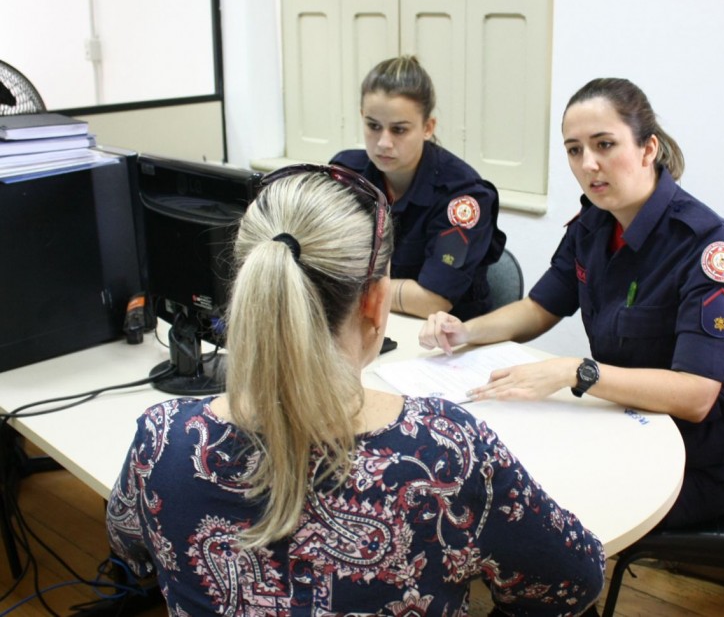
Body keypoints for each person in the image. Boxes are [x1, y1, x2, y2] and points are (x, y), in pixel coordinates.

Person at [106, 164, 604, 615]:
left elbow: (129, 547)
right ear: (375, 303)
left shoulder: (161, 442)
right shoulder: (445, 451)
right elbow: (575, 580)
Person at [420, 78, 724, 530]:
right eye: (574, 150)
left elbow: (696, 395)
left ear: (648, 148)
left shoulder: (705, 244)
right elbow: (539, 308)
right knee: (490, 475)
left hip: (689, 459)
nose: (589, 164)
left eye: (605, 144)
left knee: (532, 510)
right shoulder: (594, 224)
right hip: (618, 427)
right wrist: (465, 331)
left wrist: (578, 372)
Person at [331, 55, 506, 321]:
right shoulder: (345, 175)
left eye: (399, 130)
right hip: (370, 322)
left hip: (446, 344)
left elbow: (431, 301)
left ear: (427, 127)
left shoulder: (463, 197)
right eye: (373, 126)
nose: (383, 143)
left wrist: (350, 286)